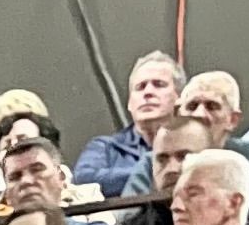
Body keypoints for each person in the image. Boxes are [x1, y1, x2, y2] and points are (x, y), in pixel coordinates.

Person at [78, 53, 185, 196]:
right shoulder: (105, 147)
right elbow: (83, 181)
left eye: (158, 85)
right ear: (129, 103)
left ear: (179, 97)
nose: (148, 92)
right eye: (140, 87)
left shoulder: (196, 145)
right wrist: (155, 172)